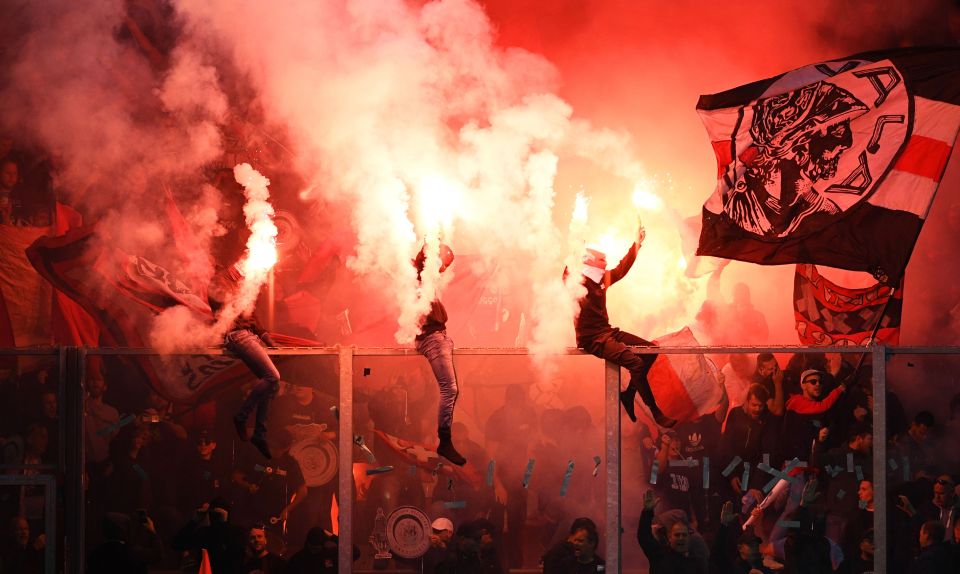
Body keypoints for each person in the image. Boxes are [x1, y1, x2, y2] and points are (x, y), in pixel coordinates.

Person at [568, 222, 675, 427]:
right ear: (590, 262)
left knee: (651, 351)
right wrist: (575, 247)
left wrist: (637, 244)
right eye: (602, 260)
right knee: (635, 363)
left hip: (607, 332)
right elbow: (568, 269)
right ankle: (656, 412)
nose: (606, 263)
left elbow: (622, 269)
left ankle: (628, 395)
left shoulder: (602, 279)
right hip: (592, 339)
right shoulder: (576, 280)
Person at [210, 264, 281, 460]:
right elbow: (228, 307)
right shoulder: (219, 282)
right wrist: (246, 289)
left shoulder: (239, 284)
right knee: (272, 376)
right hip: (237, 335)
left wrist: (268, 339)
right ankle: (241, 417)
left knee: (271, 384)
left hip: (248, 335)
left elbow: (252, 317)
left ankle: (259, 434)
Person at [413, 243, 466, 465]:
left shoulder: (426, 282)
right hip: (433, 339)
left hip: (439, 338)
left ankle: (445, 440)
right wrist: (431, 242)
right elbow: (421, 262)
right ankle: (444, 442)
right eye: (442, 264)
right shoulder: (418, 277)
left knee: (453, 390)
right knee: (450, 389)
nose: (443, 270)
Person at [637, 490, 704, 574]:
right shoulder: (660, 556)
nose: (681, 538)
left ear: (689, 538)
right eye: (677, 535)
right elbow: (644, 537)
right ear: (669, 538)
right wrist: (647, 512)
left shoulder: (696, 563)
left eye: (684, 535)